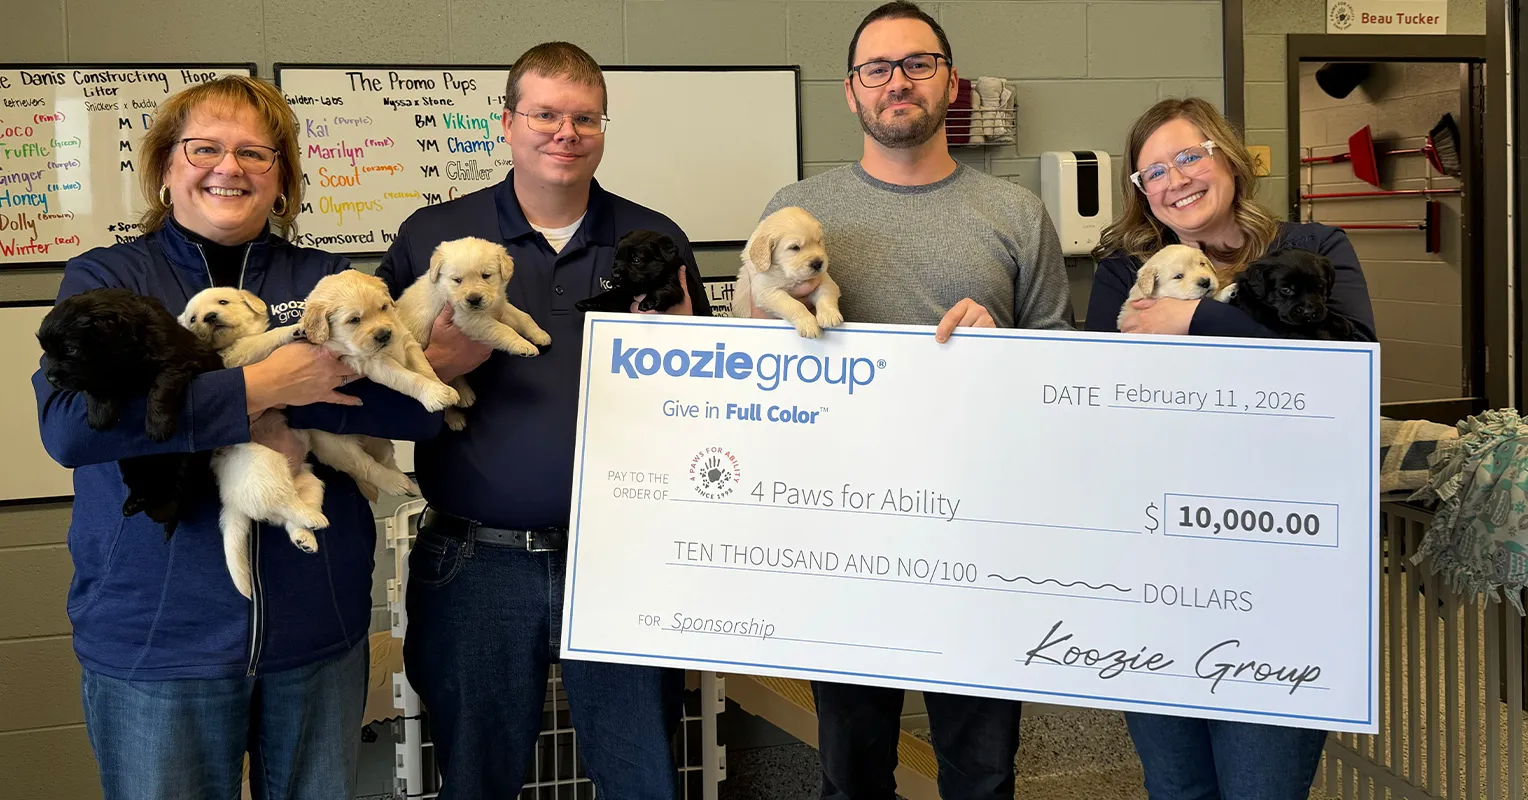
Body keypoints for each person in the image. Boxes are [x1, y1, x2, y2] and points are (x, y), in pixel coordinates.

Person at [32, 75, 443, 799]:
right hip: (159, 639)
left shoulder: (326, 281)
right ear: (164, 165)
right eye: (205, 148)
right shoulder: (109, 278)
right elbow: (70, 430)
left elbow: (412, 413)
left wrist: (298, 397)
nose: (230, 168)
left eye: (256, 153)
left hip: (316, 633)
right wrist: (268, 387)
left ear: (281, 179)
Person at [743, 3, 1075, 797]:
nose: (899, 83)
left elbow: (1061, 371)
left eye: (919, 64)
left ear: (950, 82)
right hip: (841, 535)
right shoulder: (796, 208)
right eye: (878, 69)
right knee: (852, 774)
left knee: (983, 772)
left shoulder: (1017, 214)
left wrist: (1005, 344)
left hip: (979, 539)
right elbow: (745, 364)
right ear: (851, 92)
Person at [375, 41, 709, 800]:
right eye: (545, 115)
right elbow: (369, 383)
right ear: (507, 123)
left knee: (644, 778)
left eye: (584, 117)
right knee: (474, 778)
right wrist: (446, 364)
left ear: (603, 128)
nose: (565, 133)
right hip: (474, 562)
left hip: (620, 558)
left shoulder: (652, 238)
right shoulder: (437, 240)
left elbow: (703, 402)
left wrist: (685, 351)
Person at [1086, 97, 1376, 799]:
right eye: (1152, 171)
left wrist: (1197, 318)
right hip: (1157, 565)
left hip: (1281, 565)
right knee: (1177, 785)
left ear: (1228, 157)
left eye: (1189, 156)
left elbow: (1349, 365)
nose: (1174, 179)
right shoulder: (1126, 274)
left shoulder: (1314, 248)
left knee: (1261, 786)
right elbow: (1101, 405)